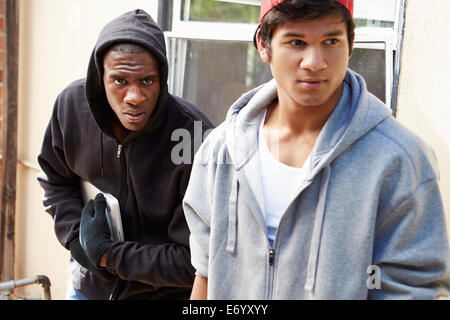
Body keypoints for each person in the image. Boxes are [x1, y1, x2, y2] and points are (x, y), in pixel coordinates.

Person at [183, 0, 450, 299]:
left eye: (331, 41)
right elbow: (206, 272)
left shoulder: (400, 159)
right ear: (264, 44)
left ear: (351, 44)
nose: (314, 62)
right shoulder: (220, 151)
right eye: (296, 41)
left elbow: (411, 289)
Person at [37, 9, 214, 300]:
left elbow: (196, 261)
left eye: (147, 81)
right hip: (86, 289)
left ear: (162, 77)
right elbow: (54, 179)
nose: (134, 97)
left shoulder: (196, 137)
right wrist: (78, 242)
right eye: (120, 81)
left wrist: (111, 256)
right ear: (99, 77)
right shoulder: (71, 107)